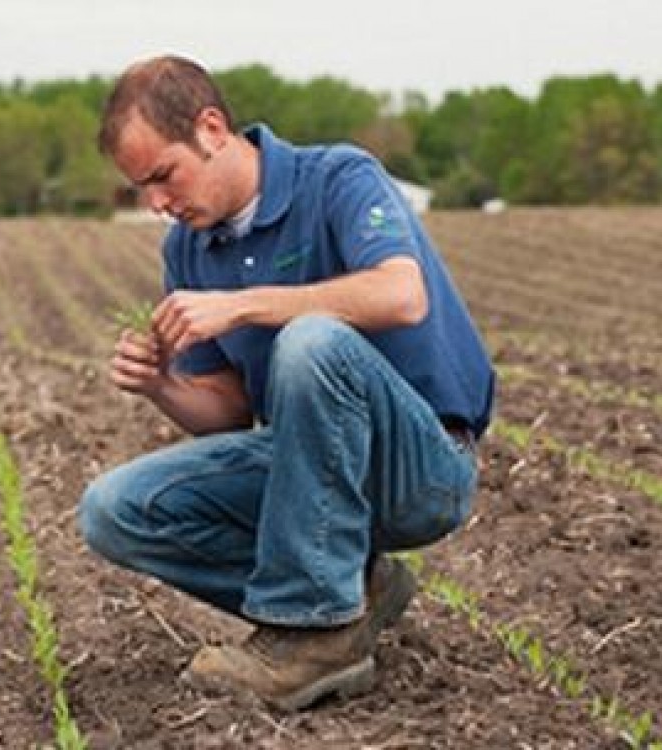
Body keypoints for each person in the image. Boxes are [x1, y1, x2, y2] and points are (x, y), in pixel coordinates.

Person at [79, 55, 495, 712]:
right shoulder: (186, 251)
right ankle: (355, 588)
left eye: (162, 176)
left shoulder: (338, 178)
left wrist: (246, 305)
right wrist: (162, 385)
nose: (157, 204)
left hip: (420, 466)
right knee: (114, 509)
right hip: (308, 470)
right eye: (141, 189)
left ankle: (312, 641)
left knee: (312, 339)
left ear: (211, 129)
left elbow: (401, 293)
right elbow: (229, 412)